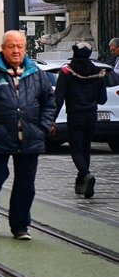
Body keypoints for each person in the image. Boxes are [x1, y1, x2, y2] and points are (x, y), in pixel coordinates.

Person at [0, 30, 55, 240]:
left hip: (30, 138)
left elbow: (49, 103)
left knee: (26, 185)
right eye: (11, 46)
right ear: (3, 48)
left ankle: (20, 226)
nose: (16, 51)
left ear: (25, 49)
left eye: (20, 47)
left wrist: (42, 128)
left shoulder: (36, 73)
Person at [54, 42, 108, 198]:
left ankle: (85, 174)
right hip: (91, 116)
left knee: (76, 150)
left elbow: (58, 99)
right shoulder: (98, 72)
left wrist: (52, 119)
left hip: (75, 116)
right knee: (86, 148)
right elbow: (102, 99)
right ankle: (80, 182)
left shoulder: (66, 72)